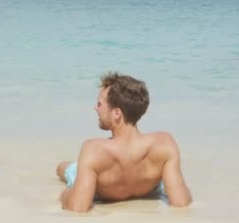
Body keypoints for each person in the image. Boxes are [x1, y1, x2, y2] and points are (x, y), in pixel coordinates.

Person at [56, 72, 192, 212]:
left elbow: (77, 208)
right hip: (146, 188)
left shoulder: (94, 150)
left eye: (100, 104)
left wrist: (65, 195)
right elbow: (181, 202)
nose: (95, 108)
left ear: (116, 113)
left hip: (101, 185)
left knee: (62, 168)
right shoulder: (164, 143)